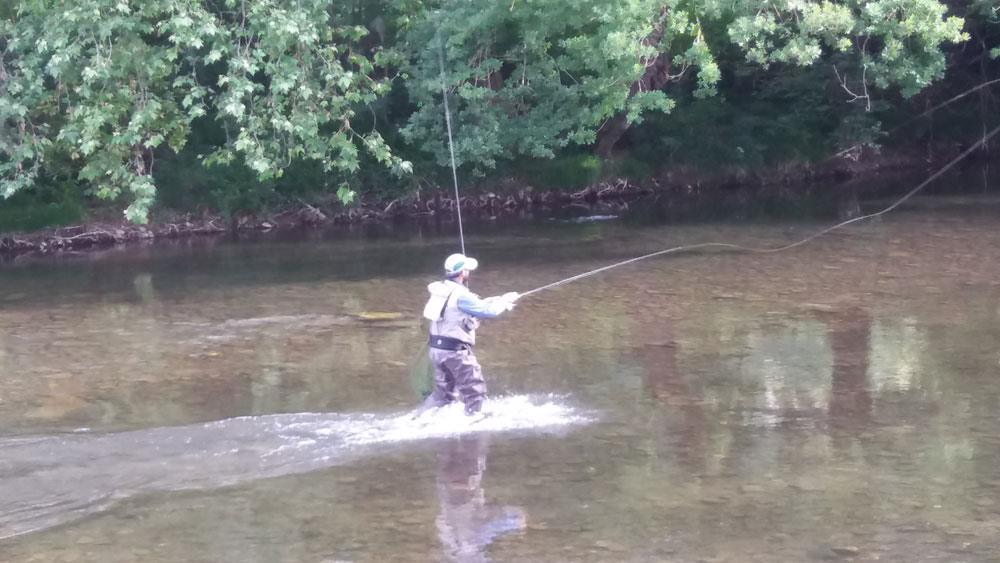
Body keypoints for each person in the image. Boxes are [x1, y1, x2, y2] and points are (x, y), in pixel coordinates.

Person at [421, 253, 518, 415]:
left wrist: (500, 298)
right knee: (475, 392)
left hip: (436, 351)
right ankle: (474, 423)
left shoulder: (441, 290)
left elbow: (467, 308)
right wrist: (504, 303)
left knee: (443, 394)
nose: (469, 272)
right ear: (462, 272)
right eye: (467, 269)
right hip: (455, 353)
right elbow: (488, 311)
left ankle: (419, 419)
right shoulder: (461, 294)